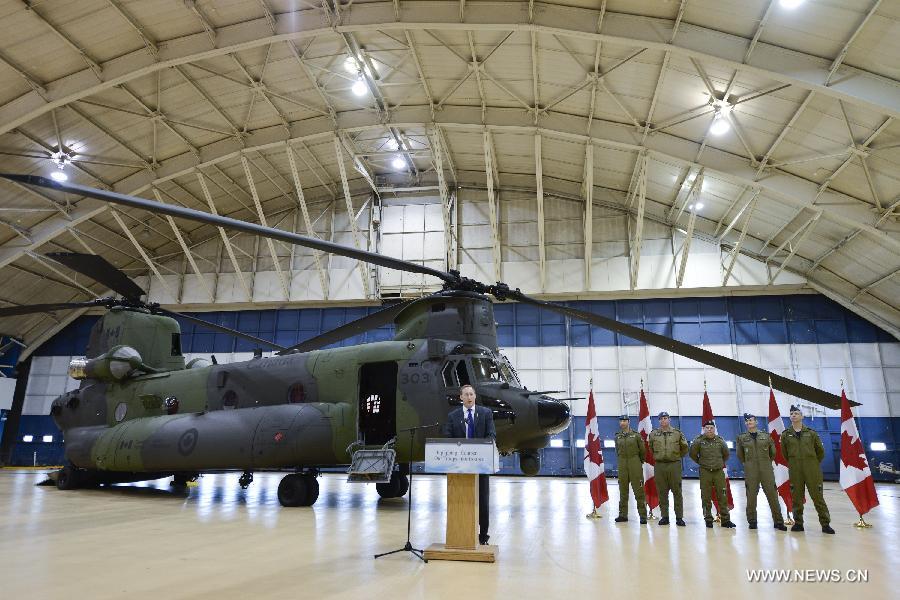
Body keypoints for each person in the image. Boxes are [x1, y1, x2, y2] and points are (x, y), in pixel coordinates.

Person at [442, 384, 497, 545]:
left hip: (480, 465)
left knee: (483, 500)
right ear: (461, 397)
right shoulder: (453, 416)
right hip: (459, 467)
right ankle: (460, 533)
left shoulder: (485, 413)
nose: (469, 397)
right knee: (460, 499)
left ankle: (483, 535)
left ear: (475, 396)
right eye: (465, 394)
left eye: (471, 394)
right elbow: (448, 436)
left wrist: (481, 446)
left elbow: (491, 434)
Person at [780, 405, 835, 534]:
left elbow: (820, 452)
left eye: (796, 413)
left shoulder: (811, 433)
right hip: (795, 470)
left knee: (818, 498)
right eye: (792, 413)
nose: (794, 415)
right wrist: (795, 463)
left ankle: (825, 524)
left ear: (802, 416)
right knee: (796, 498)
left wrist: (812, 463)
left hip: (812, 470)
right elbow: (785, 454)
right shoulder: (786, 435)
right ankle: (798, 523)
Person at [736, 413, 787, 531]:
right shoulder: (742, 438)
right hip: (751, 470)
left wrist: (765, 462)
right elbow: (740, 455)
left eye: (751, 420)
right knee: (751, 497)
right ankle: (752, 521)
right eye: (747, 421)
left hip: (766, 469)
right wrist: (749, 463)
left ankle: (778, 521)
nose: (749, 422)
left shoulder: (766, 436)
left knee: (773, 495)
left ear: (756, 422)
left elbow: (772, 453)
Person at [690, 421, 736, 528]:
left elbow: (726, 455)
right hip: (705, 472)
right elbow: (692, 454)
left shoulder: (720, 441)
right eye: (707, 428)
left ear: (714, 429)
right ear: (704, 429)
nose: (709, 429)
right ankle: (708, 519)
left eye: (711, 427)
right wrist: (701, 462)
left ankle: (725, 520)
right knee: (706, 496)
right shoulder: (699, 441)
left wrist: (718, 463)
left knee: (722, 496)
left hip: (718, 471)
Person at [648, 412, 689, 526]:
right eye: (661, 419)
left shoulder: (677, 433)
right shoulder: (653, 434)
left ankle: (679, 517)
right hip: (660, 466)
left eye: (665, 418)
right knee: (662, 492)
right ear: (659, 421)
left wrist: (675, 456)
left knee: (677, 492)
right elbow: (650, 448)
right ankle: (665, 516)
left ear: (669, 419)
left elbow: (685, 448)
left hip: (674, 465)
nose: (663, 420)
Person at [614, 415, 647, 524]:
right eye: (621, 421)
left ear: (628, 422)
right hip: (622, 464)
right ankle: (623, 515)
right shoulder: (617, 436)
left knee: (639, 491)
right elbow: (617, 450)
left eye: (624, 421)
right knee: (623, 491)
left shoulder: (636, 436)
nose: (622, 423)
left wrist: (638, 462)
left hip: (635, 463)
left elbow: (642, 451)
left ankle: (642, 515)